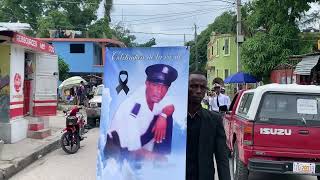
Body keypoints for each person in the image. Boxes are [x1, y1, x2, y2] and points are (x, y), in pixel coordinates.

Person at [105, 64, 178, 162]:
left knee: (166, 117)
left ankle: (163, 155)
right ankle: (160, 162)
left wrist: (163, 116)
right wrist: (157, 158)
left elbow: (170, 107)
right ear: (147, 83)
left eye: (164, 87)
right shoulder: (134, 107)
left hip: (138, 140)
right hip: (119, 145)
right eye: (155, 85)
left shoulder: (154, 97)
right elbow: (133, 149)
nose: (159, 91)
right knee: (160, 161)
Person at [187, 71, 231, 180]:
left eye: (202, 87)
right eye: (193, 86)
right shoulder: (173, 118)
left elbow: (222, 159)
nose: (198, 91)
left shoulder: (214, 120)